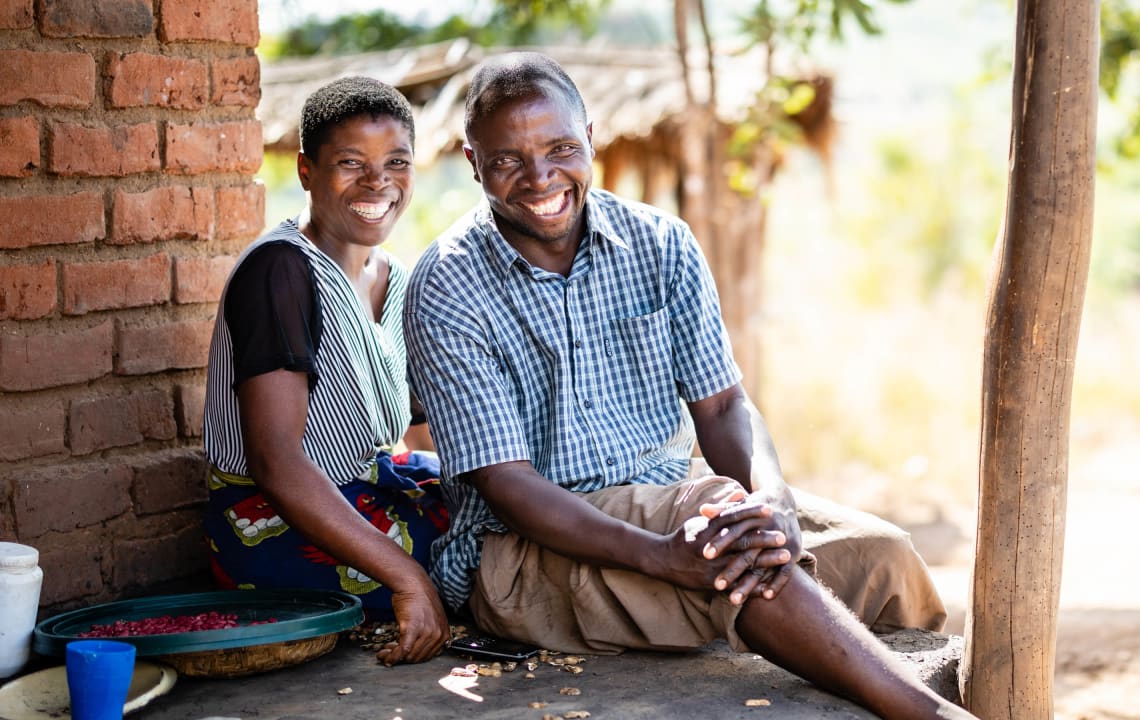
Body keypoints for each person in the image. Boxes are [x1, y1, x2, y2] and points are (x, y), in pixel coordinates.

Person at [404, 52, 976, 718]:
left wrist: (775, 499)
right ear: (473, 164)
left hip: (670, 502)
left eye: (560, 148)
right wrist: (663, 557)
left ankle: (926, 690)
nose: (540, 177)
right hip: (523, 554)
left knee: (885, 557)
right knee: (720, 533)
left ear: (590, 137)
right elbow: (509, 485)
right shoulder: (448, 283)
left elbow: (725, 402)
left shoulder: (660, 244)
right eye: (508, 161)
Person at [202, 76, 449, 665]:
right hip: (275, 524)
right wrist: (410, 578)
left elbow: (420, 424)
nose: (377, 181)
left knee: (502, 498)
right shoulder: (280, 271)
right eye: (350, 162)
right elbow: (276, 463)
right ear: (307, 171)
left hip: (363, 488)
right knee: (489, 545)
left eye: (396, 162)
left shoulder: (393, 275)